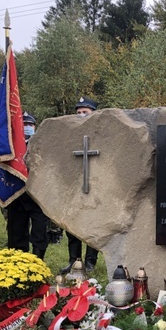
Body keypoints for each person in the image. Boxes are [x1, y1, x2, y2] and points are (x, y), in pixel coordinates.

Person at [61, 97, 100, 273]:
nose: (81, 115)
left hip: (96, 184)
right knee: (72, 224)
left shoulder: (101, 132)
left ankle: (90, 261)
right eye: (78, 112)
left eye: (85, 112)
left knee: (93, 223)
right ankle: (74, 260)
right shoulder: (69, 134)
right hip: (74, 186)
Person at [6, 112, 50, 259]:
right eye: (24, 125)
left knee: (39, 233)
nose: (27, 128)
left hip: (38, 197)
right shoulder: (10, 146)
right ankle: (19, 263)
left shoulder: (43, 145)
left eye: (30, 125)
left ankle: (38, 262)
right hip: (17, 195)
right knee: (16, 233)